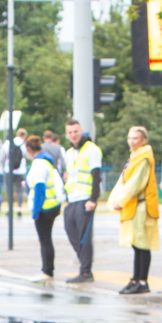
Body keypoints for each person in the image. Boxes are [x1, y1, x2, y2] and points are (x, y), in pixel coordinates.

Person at [110, 126, 160, 294]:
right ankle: (135, 279)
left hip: (141, 206)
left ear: (143, 140)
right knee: (136, 244)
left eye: (135, 138)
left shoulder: (143, 158)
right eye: (130, 138)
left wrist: (121, 200)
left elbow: (135, 184)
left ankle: (142, 281)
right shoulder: (135, 157)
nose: (131, 141)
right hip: (134, 206)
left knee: (142, 244)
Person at [61, 118, 102, 283]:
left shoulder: (91, 150)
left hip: (85, 199)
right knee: (71, 232)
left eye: (76, 132)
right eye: (70, 133)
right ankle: (84, 263)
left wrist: (93, 199)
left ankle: (85, 271)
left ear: (81, 131)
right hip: (72, 198)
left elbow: (96, 176)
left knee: (84, 237)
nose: (73, 135)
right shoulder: (69, 153)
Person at [25, 134, 63, 279]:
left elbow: (40, 189)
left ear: (29, 148)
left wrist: (35, 211)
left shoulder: (39, 164)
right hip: (51, 205)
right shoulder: (45, 161)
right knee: (46, 239)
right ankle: (47, 269)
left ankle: (47, 271)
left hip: (45, 207)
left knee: (45, 240)